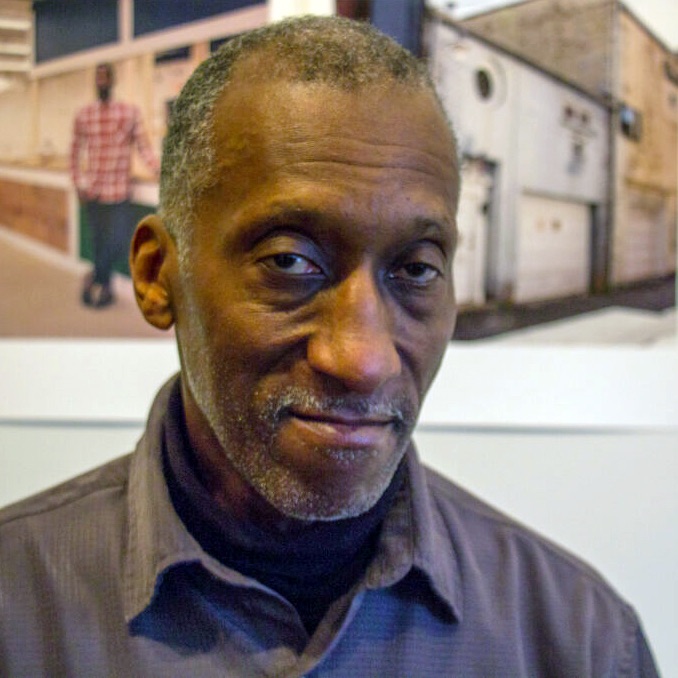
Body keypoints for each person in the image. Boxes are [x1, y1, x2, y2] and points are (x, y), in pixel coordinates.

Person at [0, 16, 660, 677]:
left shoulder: (580, 641)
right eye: (290, 262)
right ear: (155, 275)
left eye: (416, 269)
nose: (363, 358)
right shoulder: (20, 612)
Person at [70, 62, 159, 308]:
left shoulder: (129, 112)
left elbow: (144, 147)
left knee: (120, 240)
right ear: (94, 83)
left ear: (112, 80)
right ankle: (105, 286)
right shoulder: (84, 114)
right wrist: (78, 182)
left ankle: (95, 278)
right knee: (99, 241)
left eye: (105, 77)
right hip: (94, 192)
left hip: (119, 191)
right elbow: (75, 151)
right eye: (98, 78)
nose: (102, 82)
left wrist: (160, 170)